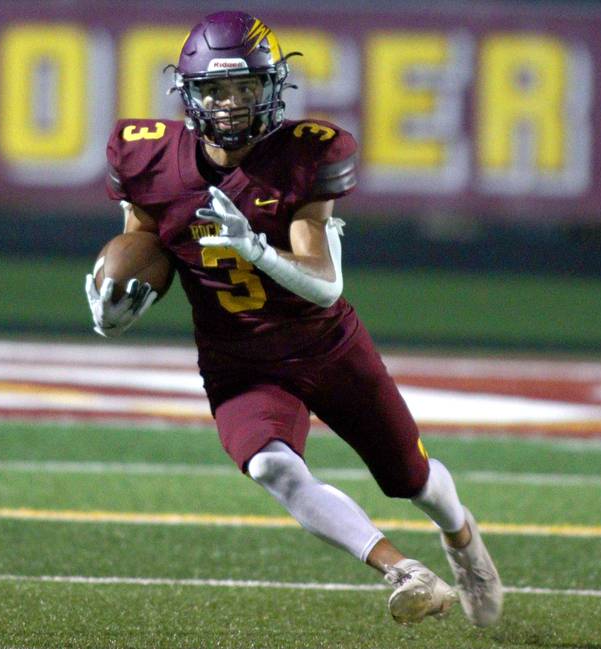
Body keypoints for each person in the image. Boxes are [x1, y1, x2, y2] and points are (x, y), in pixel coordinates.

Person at [85, 10, 502, 626]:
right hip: (238, 362)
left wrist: (252, 248)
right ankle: (402, 569)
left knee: (411, 478)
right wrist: (115, 300)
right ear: (189, 94)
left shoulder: (304, 157)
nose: (230, 106)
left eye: (246, 89)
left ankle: (463, 540)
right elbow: (143, 241)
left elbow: (326, 285)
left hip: (326, 347)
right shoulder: (145, 156)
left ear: (271, 89)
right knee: (273, 467)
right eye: (216, 91)